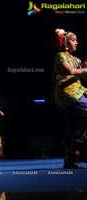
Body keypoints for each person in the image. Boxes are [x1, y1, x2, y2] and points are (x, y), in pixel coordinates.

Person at [53, 28, 87, 169]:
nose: (77, 43)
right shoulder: (60, 56)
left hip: (78, 91)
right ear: (66, 43)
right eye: (73, 40)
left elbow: (83, 75)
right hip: (67, 93)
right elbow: (71, 71)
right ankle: (75, 147)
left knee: (72, 127)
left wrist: (85, 67)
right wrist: (83, 71)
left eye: (77, 40)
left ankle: (70, 160)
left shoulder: (77, 59)